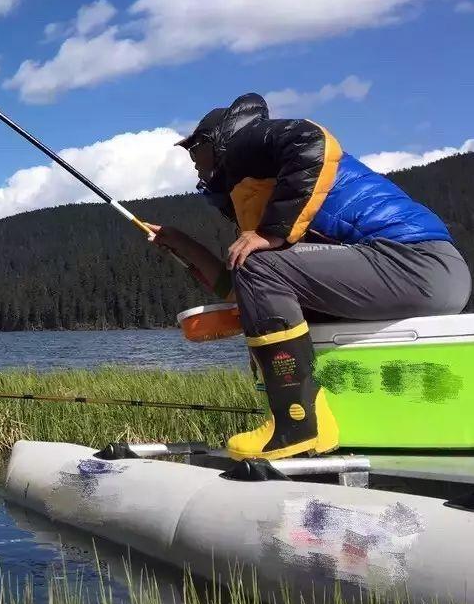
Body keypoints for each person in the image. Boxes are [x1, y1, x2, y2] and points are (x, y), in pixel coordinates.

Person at [149, 93, 470, 460]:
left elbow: (310, 141)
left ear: (216, 140)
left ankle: (298, 424)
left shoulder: (244, 144)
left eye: (195, 152)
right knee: (257, 269)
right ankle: (317, 425)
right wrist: (181, 244)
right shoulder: (265, 188)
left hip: (415, 262)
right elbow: (246, 289)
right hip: (423, 273)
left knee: (260, 262)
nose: (194, 166)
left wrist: (273, 231)